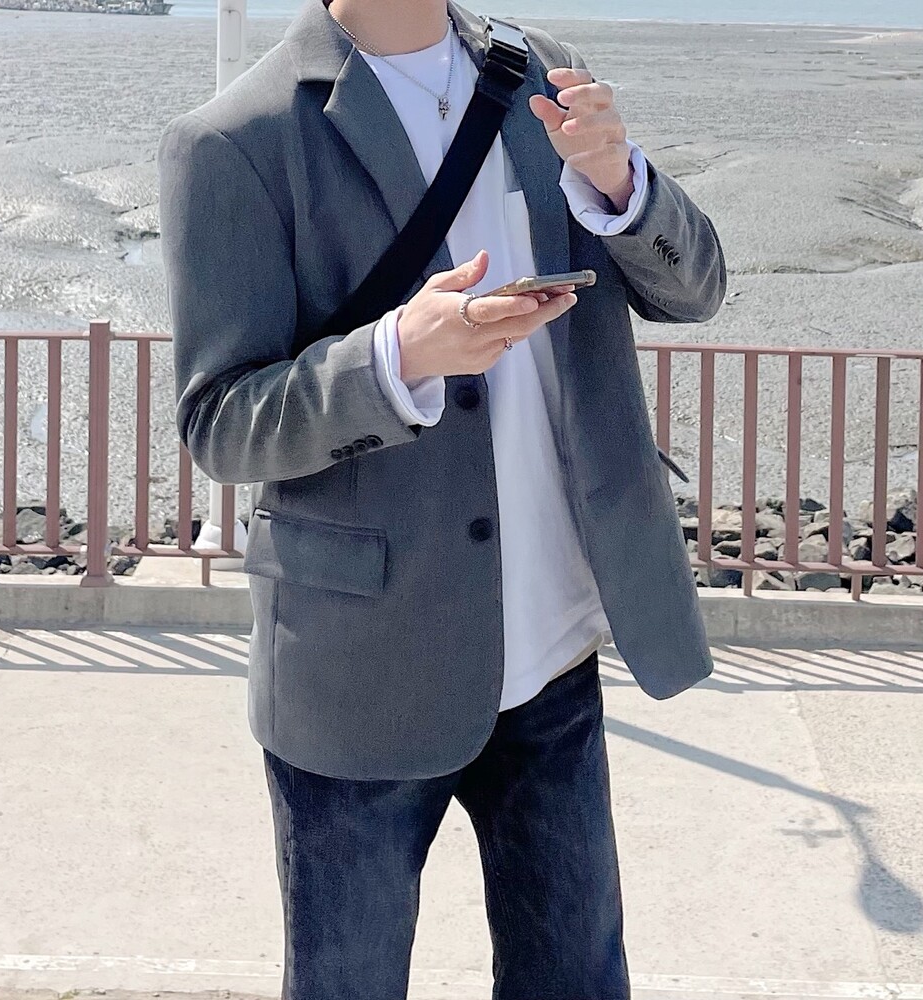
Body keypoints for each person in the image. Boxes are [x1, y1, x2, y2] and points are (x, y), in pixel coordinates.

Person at [158, 0, 725, 995]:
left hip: (552, 654)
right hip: (359, 675)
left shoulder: (544, 74)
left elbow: (696, 290)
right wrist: (394, 357)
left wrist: (621, 183)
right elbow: (220, 422)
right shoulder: (235, 140)